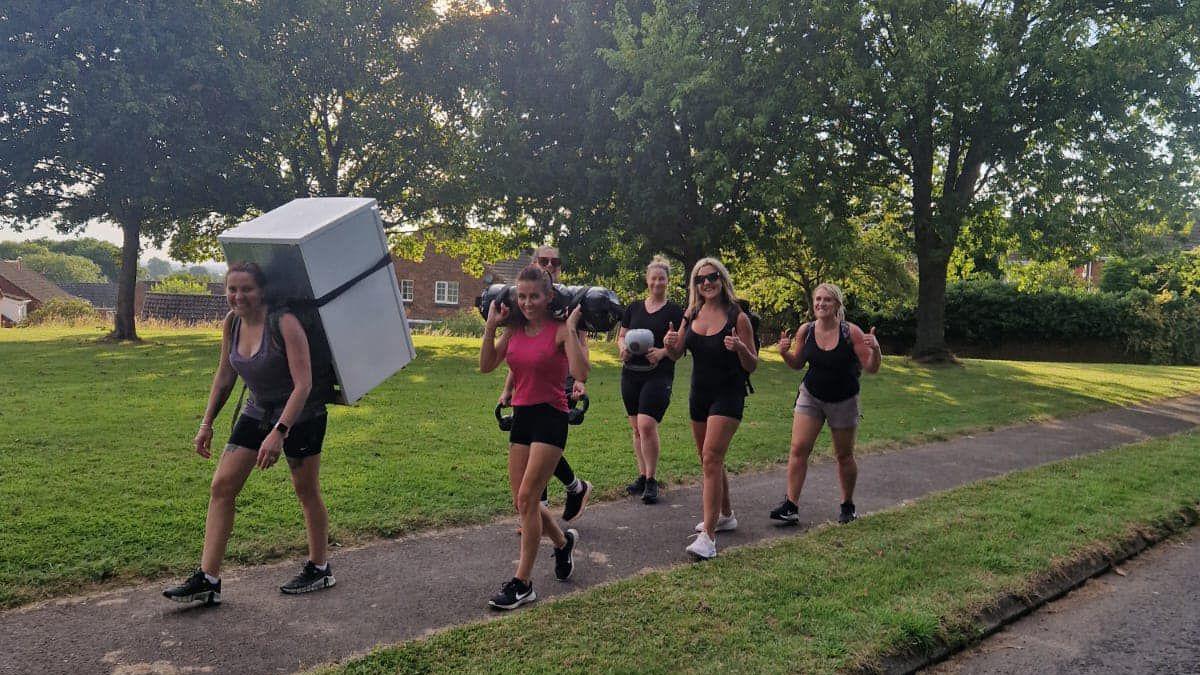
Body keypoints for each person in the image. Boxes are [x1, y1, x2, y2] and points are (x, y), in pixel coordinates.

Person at [163, 262, 334, 606]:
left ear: (262, 291)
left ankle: (320, 568)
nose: (238, 296)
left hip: (301, 414)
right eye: (232, 289)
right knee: (222, 486)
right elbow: (225, 376)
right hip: (257, 409)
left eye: (246, 289)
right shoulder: (233, 322)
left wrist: (279, 433)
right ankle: (208, 579)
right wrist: (206, 423)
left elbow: (304, 385)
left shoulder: (284, 322)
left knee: (305, 489)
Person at [481, 264, 590, 610]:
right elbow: (486, 365)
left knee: (529, 497)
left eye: (534, 296)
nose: (527, 302)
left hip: (551, 418)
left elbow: (580, 371)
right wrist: (490, 327)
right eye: (522, 296)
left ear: (548, 297)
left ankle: (523, 582)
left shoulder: (560, 331)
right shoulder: (513, 330)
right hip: (523, 418)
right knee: (522, 502)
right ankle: (562, 542)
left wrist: (572, 329)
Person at [664, 258, 757, 559]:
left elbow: (752, 364)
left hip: (728, 395)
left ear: (722, 279)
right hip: (699, 395)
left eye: (712, 277)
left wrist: (741, 348)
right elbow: (676, 354)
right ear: (695, 285)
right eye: (700, 279)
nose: (707, 283)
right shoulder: (690, 314)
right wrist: (669, 343)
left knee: (711, 457)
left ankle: (709, 537)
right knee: (708, 459)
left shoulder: (737, 317)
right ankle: (726, 514)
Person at [769, 282, 881, 526]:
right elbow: (797, 364)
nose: (821, 304)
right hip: (811, 395)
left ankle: (847, 505)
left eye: (826, 300)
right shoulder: (806, 330)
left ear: (837, 305)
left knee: (843, 455)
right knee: (799, 448)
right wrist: (784, 353)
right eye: (817, 299)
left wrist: (877, 350)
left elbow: (871, 367)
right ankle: (791, 505)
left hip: (844, 399)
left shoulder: (850, 332)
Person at [499, 245, 592, 521]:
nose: (550, 265)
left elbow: (581, 345)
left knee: (544, 446)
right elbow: (522, 353)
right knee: (534, 447)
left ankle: (537, 510)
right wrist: (508, 387)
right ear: (535, 263)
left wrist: (579, 380)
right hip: (531, 381)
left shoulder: (566, 303)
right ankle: (548, 504)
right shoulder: (528, 301)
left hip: (562, 376)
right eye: (544, 260)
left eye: (555, 261)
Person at [617, 256, 685, 504]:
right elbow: (621, 336)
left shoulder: (675, 311)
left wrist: (663, 352)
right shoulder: (633, 308)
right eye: (654, 278)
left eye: (662, 279)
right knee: (636, 428)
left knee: (646, 425)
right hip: (631, 373)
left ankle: (652, 480)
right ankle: (642, 475)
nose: (657, 282)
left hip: (659, 374)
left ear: (667, 281)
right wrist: (622, 348)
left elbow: (681, 345)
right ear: (647, 280)